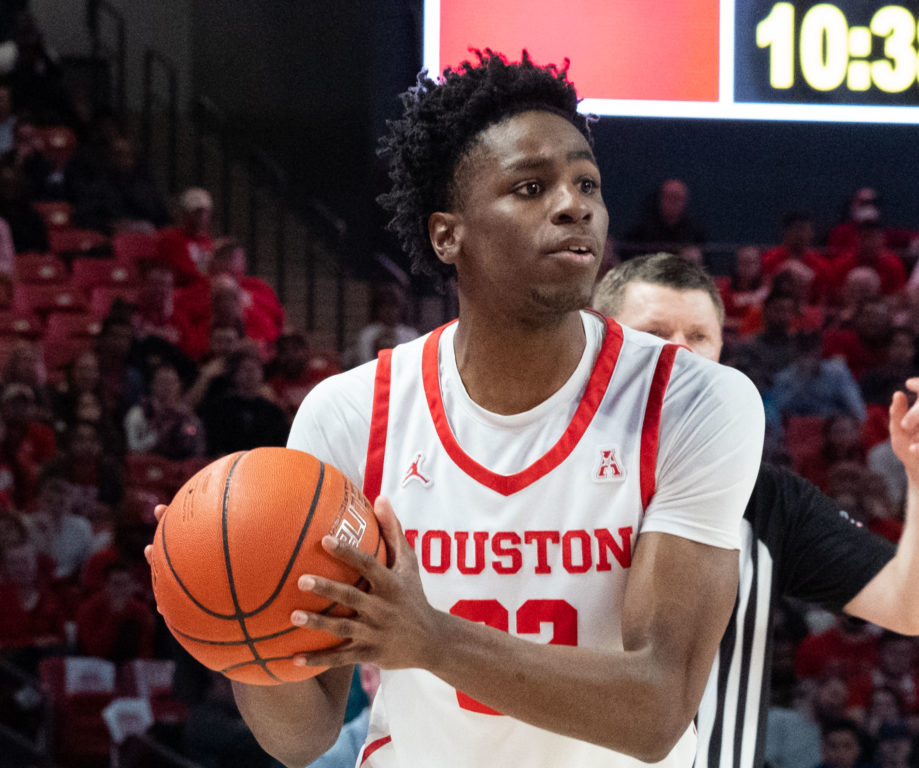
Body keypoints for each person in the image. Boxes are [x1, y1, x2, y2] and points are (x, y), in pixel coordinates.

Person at [206, 51, 764, 767]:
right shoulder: (349, 415)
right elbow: (305, 735)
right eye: (531, 187)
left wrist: (430, 639)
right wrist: (233, 615)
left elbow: (656, 707)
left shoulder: (696, 402)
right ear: (448, 234)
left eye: (585, 181)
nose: (574, 204)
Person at [592, 252, 919, 768]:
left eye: (698, 337)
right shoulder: (545, 481)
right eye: (653, 332)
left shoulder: (769, 500)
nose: (678, 353)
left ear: (721, 353)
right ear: (601, 346)